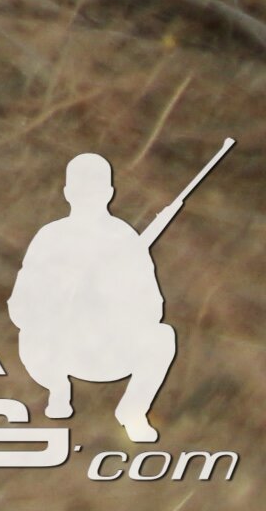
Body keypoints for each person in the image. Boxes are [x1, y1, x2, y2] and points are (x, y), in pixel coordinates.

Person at [11, 149, 183, 443]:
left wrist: (115, 293)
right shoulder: (50, 238)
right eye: (81, 189)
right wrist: (57, 298)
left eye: (94, 189)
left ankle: (133, 410)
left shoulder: (125, 239)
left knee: (163, 337)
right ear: (67, 192)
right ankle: (57, 390)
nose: (88, 196)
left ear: (109, 192)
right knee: (31, 336)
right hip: (60, 350)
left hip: (109, 348)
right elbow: (20, 307)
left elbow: (153, 308)